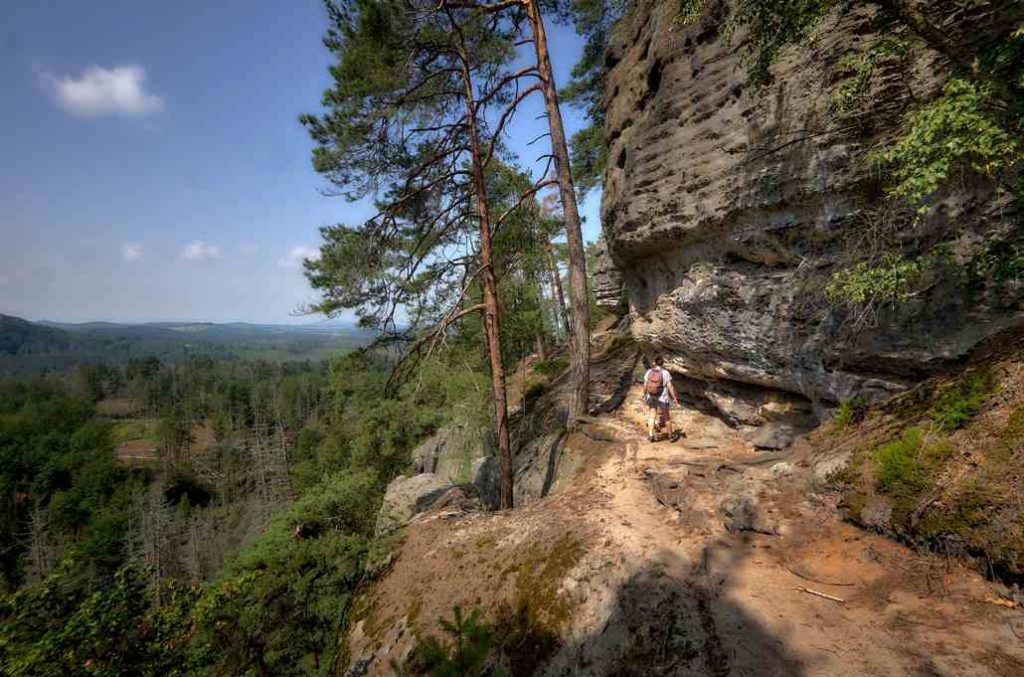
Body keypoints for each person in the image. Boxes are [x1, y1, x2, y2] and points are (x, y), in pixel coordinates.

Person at [643, 356, 681, 443]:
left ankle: (650, 436)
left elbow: (645, 385)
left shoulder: (649, 371)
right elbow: (670, 386)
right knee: (667, 417)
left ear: (655, 362)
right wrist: (674, 397)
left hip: (651, 396)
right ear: (663, 363)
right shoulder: (665, 373)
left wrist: (644, 394)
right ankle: (670, 436)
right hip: (663, 398)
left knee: (652, 416)